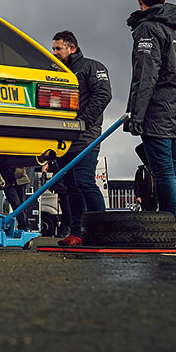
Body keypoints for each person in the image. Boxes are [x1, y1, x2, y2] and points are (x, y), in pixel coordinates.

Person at [125, 0, 176, 247]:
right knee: (174, 171)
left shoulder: (148, 28)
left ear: (140, 0)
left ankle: (170, 233)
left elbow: (145, 74)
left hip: (158, 109)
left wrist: (136, 114)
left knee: (164, 173)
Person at [48, 31, 113, 246]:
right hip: (63, 138)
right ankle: (77, 233)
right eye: (53, 48)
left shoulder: (92, 67)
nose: (54, 52)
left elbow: (104, 95)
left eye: (58, 48)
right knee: (70, 187)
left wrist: (83, 121)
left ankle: (102, 231)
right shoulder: (56, 72)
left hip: (86, 135)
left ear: (71, 48)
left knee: (84, 182)